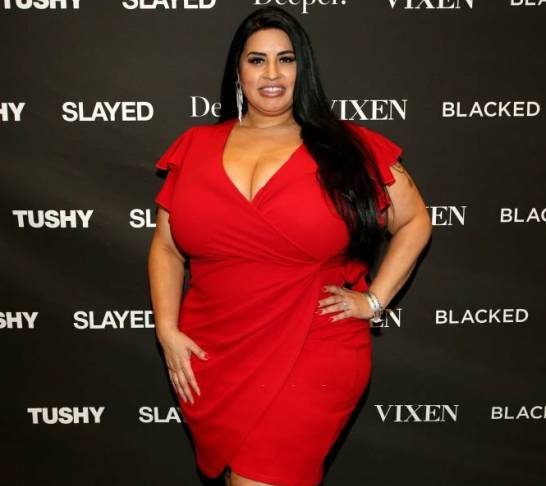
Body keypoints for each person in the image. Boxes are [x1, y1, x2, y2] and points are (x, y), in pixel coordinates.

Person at [147, 6, 432, 486]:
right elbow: (167, 247)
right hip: (212, 352)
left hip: (312, 344)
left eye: (286, 59)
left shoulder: (349, 146)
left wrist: (373, 300)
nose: (272, 74)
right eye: (257, 60)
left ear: (305, 68)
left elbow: (415, 220)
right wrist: (167, 329)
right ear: (238, 70)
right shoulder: (195, 145)